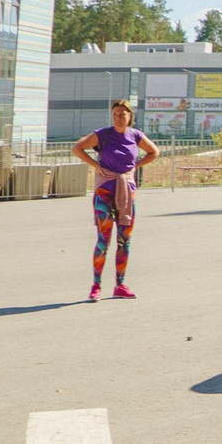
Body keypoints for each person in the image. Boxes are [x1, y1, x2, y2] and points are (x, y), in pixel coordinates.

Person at [74, 98, 157, 301]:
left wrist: (136, 166)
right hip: (105, 191)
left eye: (122, 114)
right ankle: (96, 285)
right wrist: (96, 165)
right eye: (115, 115)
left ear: (130, 117)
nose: (118, 118)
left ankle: (120, 285)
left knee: (124, 240)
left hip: (126, 192)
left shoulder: (135, 135)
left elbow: (154, 152)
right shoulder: (103, 134)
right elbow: (77, 148)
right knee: (104, 239)